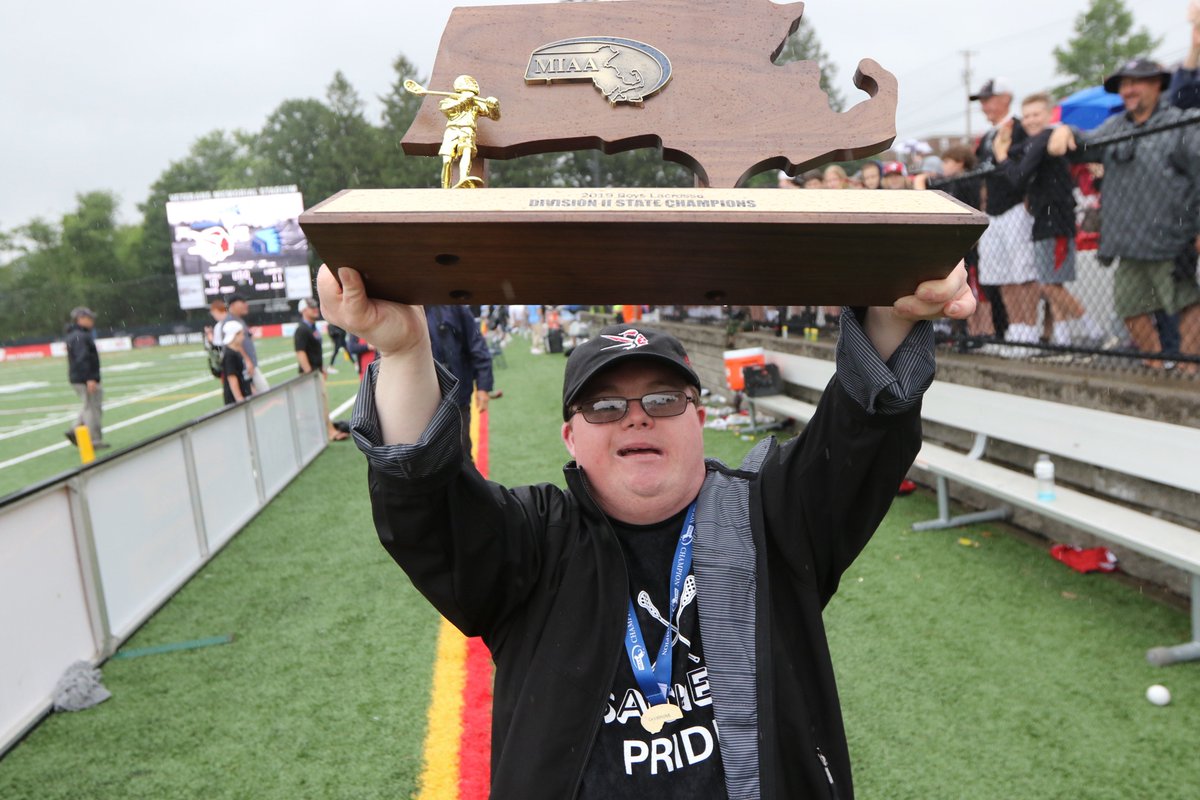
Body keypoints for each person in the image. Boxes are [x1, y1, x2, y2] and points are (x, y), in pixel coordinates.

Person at [317, 258, 974, 798]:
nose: (637, 418)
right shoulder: (536, 541)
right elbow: (426, 503)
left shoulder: (771, 517)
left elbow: (862, 432)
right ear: (570, 437)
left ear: (699, 418)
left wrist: (895, 307)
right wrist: (404, 349)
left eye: (663, 400)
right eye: (606, 406)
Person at [1049, 58, 1200, 369]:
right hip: (1127, 240)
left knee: (1186, 304)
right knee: (1130, 308)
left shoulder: (1181, 123)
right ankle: (1156, 368)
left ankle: (1190, 370)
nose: (1129, 89)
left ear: (1158, 83)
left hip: (1173, 237)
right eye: (1124, 84)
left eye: (1137, 81)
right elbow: (1085, 143)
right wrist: (1067, 131)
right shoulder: (1116, 126)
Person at [993, 93, 1105, 348]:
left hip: (1056, 218)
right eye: (1028, 115)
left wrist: (1001, 157)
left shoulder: (1047, 136)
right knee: (1052, 282)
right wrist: (1003, 147)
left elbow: (1018, 176)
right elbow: (1017, 151)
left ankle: (1095, 332)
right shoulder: (1037, 141)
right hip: (1044, 218)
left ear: (1049, 114)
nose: (1031, 120)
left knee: (1048, 285)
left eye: (1037, 114)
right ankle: (1062, 339)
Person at [972, 78, 1040, 353]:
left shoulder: (1021, 127)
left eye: (989, 99)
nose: (985, 106)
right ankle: (1016, 329)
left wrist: (1028, 200)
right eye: (983, 101)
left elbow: (1029, 168)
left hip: (1015, 208)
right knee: (1002, 276)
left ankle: (1030, 331)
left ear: (1005, 98)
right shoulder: (988, 135)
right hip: (994, 212)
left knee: (1023, 274)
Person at [425, 304, 495, 457]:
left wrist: (483, 386)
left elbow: (476, 344)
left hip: (456, 399)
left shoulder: (453, 307)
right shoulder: (399, 309)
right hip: (418, 406)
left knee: (461, 457)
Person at [294, 297, 349, 441]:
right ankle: (330, 432)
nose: (315, 309)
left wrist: (321, 368)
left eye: (315, 307)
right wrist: (309, 373)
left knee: (316, 403)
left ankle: (315, 434)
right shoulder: (302, 329)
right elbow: (300, 352)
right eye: (311, 308)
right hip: (310, 373)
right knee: (319, 404)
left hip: (315, 371)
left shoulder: (311, 327)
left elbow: (313, 351)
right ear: (303, 311)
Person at [64, 306, 109, 449]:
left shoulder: (77, 334)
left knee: (88, 406)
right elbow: (82, 359)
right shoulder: (80, 336)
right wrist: (90, 378)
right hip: (84, 379)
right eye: (89, 318)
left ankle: (75, 429)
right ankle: (93, 440)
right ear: (80, 319)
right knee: (92, 409)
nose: (92, 321)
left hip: (79, 377)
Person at [226, 295, 268, 394]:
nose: (246, 305)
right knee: (263, 393)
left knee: (260, 393)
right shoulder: (230, 322)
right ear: (233, 305)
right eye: (242, 302)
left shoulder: (239, 320)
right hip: (244, 368)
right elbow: (234, 345)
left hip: (248, 366)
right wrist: (247, 360)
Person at [219, 325, 251, 405]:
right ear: (234, 335)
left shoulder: (237, 352)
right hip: (234, 401)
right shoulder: (229, 355)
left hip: (244, 394)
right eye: (241, 334)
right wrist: (239, 398)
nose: (243, 337)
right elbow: (232, 377)